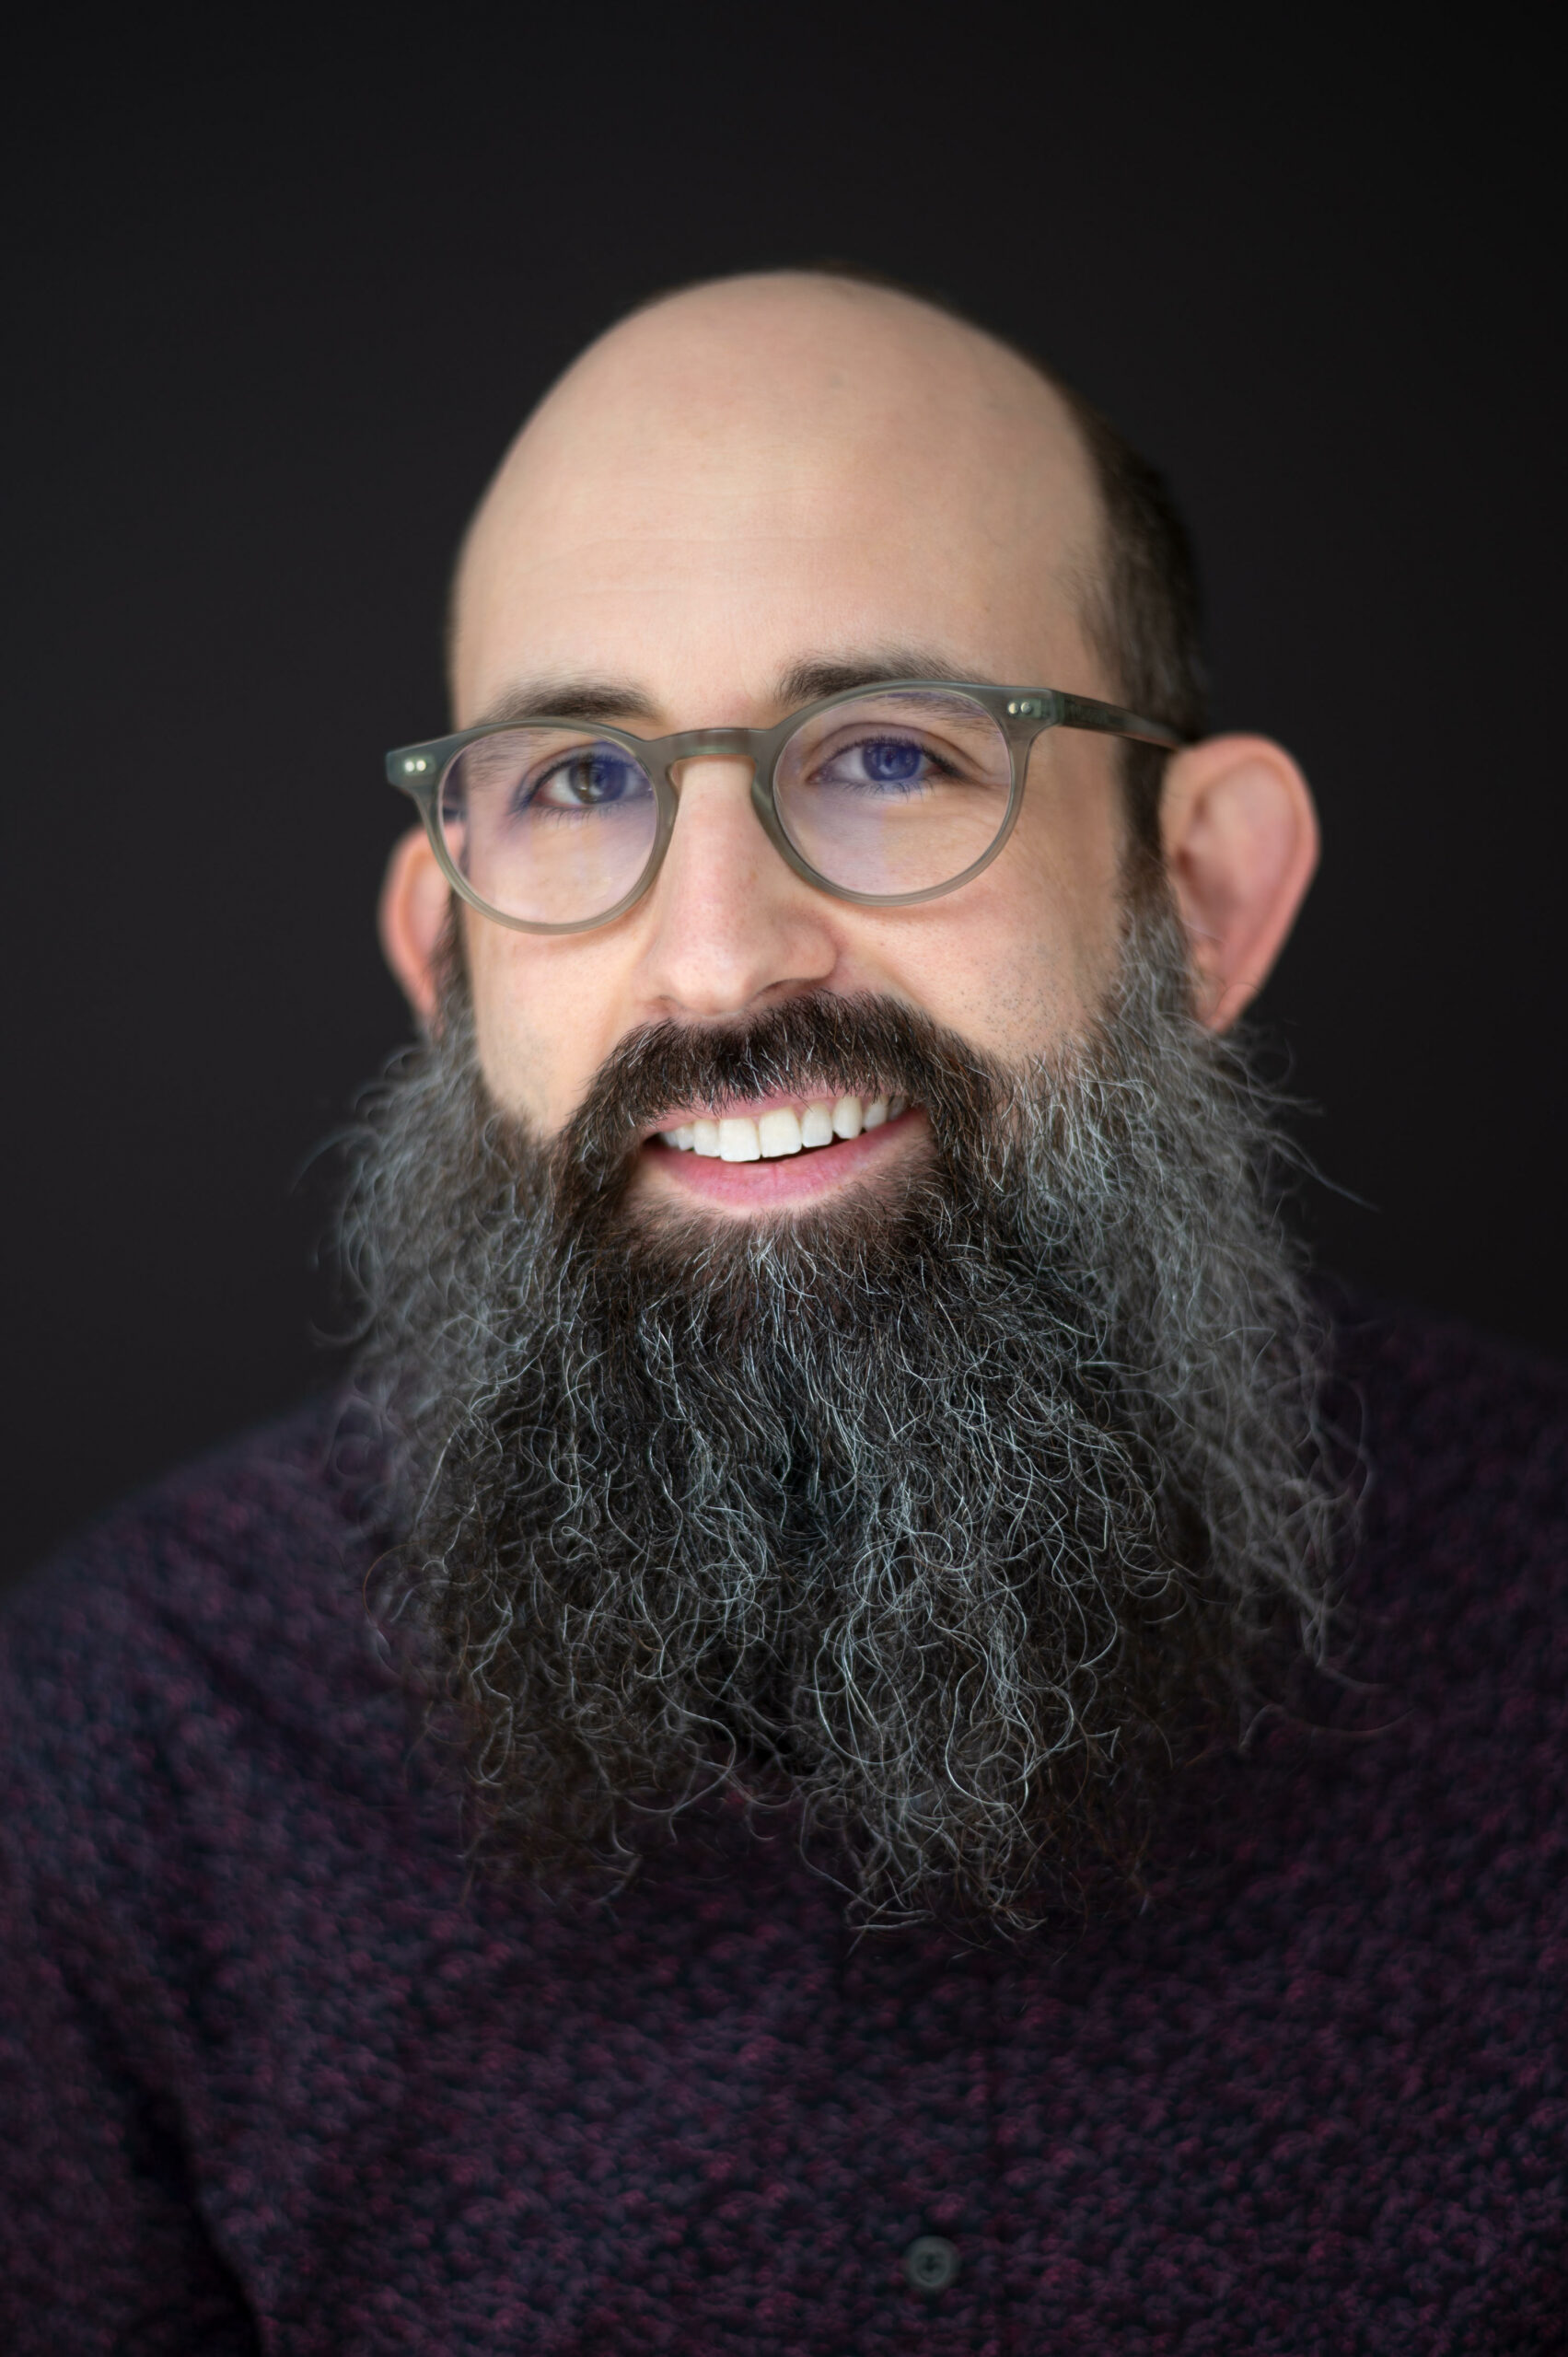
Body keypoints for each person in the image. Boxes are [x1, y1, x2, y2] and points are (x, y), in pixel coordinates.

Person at [2, 270, 1562, 2353]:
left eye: (896, 753)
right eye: (576, 783)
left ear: (1196, 893)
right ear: (449, 953)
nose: (719, 959)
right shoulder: (120, 1760)